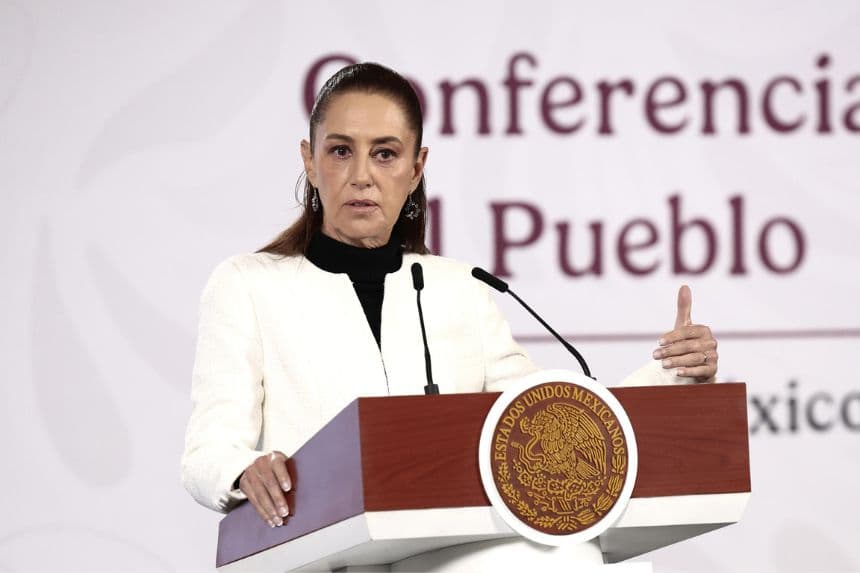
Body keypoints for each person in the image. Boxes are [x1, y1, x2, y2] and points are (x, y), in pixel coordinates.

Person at [180, 63, 719, 533]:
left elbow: (551, 424)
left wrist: (673, 372)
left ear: (416, 168)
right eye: (341, 151)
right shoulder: (247, 284)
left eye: (385, 154)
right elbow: (208, 452)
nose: (362, 176)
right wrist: (244, 470)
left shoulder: (461, 290)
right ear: (309, 160)